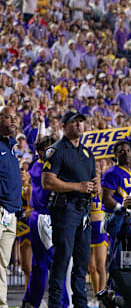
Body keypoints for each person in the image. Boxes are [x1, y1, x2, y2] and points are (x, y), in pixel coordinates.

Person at [42, 111, 98, 308]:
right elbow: (47, 181)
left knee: (82, 262)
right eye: (75, 123)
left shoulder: (86, 153)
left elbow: (92, 177)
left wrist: (95, 185)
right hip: (65, 209)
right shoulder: (56, 150)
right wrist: (78, 186)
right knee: (62, 258)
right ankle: (55, 304)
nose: (79, 125)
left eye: (81, 122)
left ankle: (80, 304)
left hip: (83, 211)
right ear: (64, 126)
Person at [23, 135, 70, 308]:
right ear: (43, 151)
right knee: (56, 264)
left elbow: (38, 145)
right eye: (51, 148)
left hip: (40, 219)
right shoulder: (43, 167)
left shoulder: (37, 163)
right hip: (45, 219)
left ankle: (31, 302)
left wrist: (42, 125)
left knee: (39, 265)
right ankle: (62, 304)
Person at [0, 106, 22, 308]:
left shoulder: (11, 147)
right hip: (0, 208)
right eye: (8, 117)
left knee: (3, 263)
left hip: (11, 212)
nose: (13, 121)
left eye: (15, 118)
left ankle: (2, 303)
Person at [88, 192, 109, 307]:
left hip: (100, 229)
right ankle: (96, 296)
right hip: (88, 228)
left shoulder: (103, 189)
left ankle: (102, 298)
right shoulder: (85, 187)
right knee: (91, 267)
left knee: (101, 266)